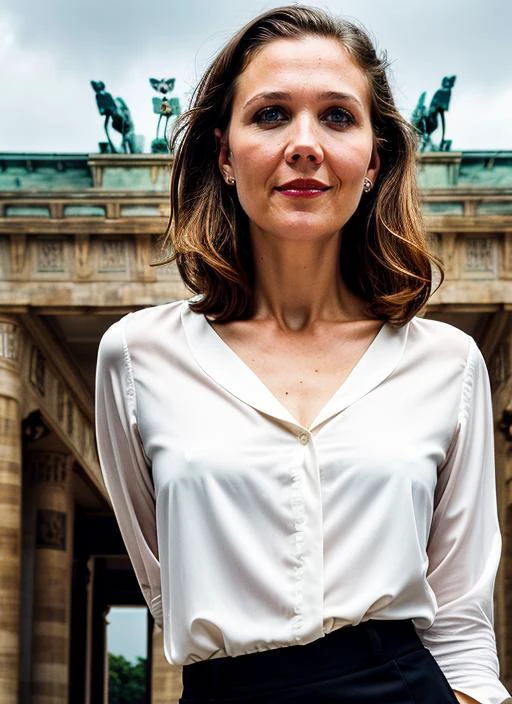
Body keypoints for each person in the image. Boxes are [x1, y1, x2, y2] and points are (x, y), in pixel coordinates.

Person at [95, 6, 512, 704]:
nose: (304, 144)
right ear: (223, 154)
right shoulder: (137, 357)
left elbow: (462, 625)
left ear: (374, 160)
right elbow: (164, 584)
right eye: (270, 115)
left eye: (338, 117)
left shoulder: (448, 364)